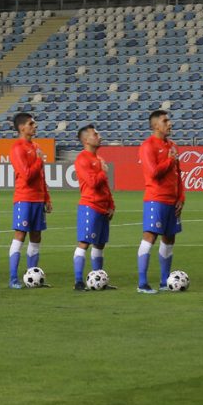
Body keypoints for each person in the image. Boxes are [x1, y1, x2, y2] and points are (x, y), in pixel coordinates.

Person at [136, 110, 185, 294]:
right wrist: (169, 159)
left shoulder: (173, 145)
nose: (169, 124)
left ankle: (165, 281)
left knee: (169, 238)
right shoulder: (148, 146)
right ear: (155, 125)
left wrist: (181, 197)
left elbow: (178, 175)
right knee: (150, 237)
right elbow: (154, 173)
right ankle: (142, 283)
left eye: (169, 120)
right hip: (155, 200)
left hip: (173, 201)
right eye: (165, 121)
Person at [7, 112, 51, 289]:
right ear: (22, 127)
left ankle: (32, 275)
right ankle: (13, 279)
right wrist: (39, 161)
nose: (35, 126)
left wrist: (46, 197)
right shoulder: (17, 148)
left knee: (36, 237)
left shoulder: (36, 146)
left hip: (38, 199)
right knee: (20, 236)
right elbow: (26, 175)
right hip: (24, 198)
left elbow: (41, 176)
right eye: (31, 124)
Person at [73, 124, 115, 291]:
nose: (99, 136)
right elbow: (92, 182)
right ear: (85, 139)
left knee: (99, 244)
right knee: (84, 243)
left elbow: (104, 186)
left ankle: (98, 280)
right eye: (95, 134)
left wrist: (111, 204)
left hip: (103, 208)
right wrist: (102, 171)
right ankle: (78, 281)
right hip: (90, 206)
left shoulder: (98, 159)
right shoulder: (82, 159)